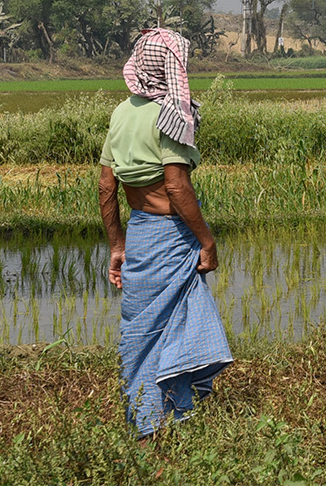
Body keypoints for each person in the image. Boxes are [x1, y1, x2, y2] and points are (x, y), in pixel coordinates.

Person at [99, 28, 233, 436]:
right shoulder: (170, 115)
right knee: (174, 329)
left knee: (142, 336)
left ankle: (147, 422)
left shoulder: (121, 113)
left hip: (139, 234)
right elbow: (176, 186)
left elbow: (107, 186)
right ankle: (164, 423)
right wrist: (207, 241)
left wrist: (117, 245)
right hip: (171, 236)